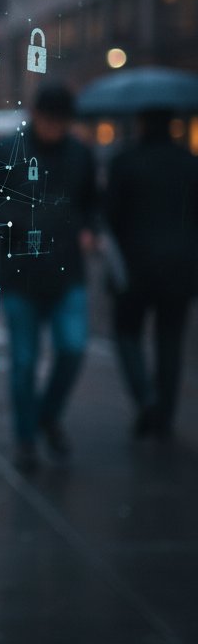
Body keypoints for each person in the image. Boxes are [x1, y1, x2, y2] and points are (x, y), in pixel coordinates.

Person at [0, 82, 98, 472]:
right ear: (36, 116)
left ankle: (46, 416)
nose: (55, 130)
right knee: (25, 362)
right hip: (21, 274)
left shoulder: (80, 154)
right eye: (50, 121)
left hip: (67, 272)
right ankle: (27, 438)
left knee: (73, 348)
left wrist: (89, 228)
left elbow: (93, 201)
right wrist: (23, 218)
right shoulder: (7, 150)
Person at [104, 108, 198, 440]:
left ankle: (146, 398)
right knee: (170, 340)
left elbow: (110, 217)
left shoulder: (124, 162)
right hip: (182, 268)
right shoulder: (190, 163)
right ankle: (165, 415)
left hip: (135, 268)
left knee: (127, 333)